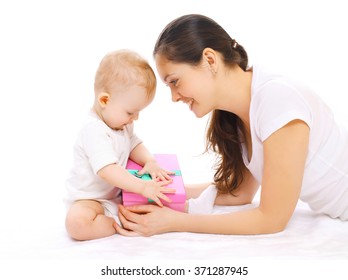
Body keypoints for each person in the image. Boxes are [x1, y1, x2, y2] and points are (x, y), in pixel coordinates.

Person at [115, 14, 348, 237]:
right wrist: (150, 190)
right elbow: (240, 192)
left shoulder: (277, 99)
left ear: (209, 60)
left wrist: (175, 221)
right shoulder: (239, 115)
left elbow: (273, 219)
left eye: (174, 82)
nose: (174, 97)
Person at [64, 49, 175, 241]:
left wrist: (149, 160)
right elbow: (107, 170)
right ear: (105, 100)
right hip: (90, 200)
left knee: (157, 203)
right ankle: (117, 223)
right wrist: (142, 187)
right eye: (130, 112)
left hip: (117, 196)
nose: (135, 118)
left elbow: (134, 144)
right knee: (77, 225)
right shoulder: (94, 130)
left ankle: (124, 214)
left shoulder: (122, 125)